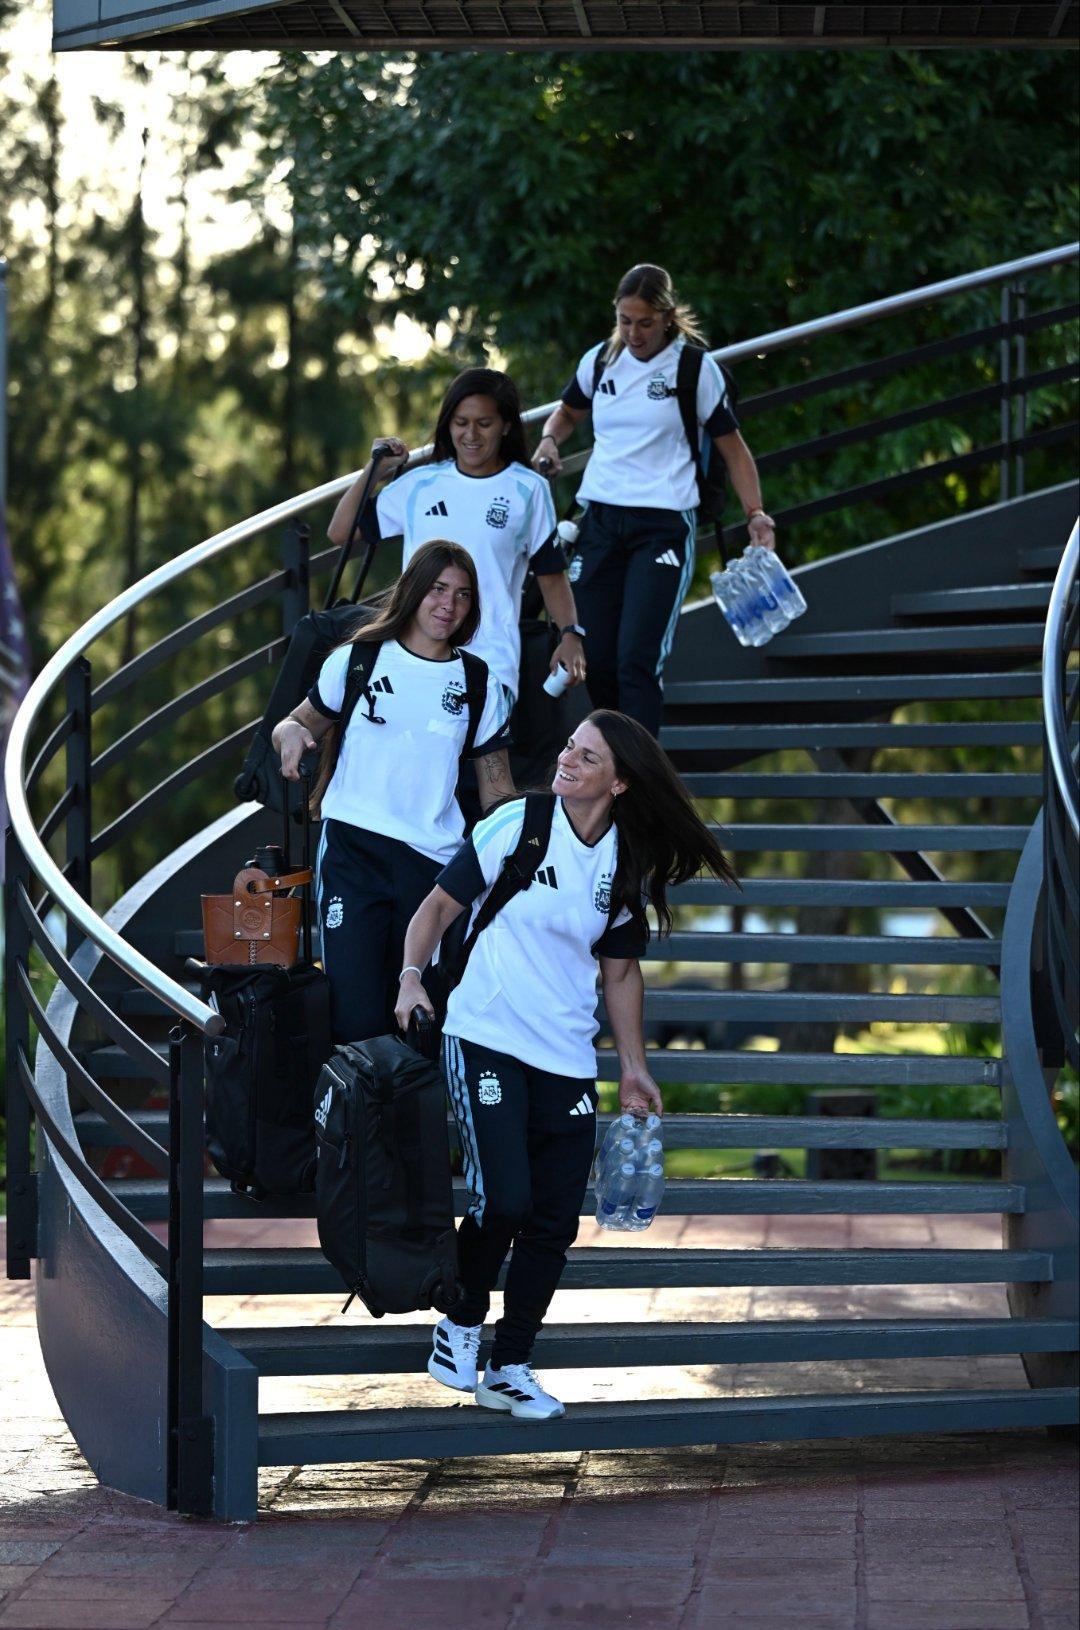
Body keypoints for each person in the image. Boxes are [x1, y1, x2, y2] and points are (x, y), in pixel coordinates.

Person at [393, 709, 737, 1421]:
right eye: (570, 748)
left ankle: (511, 1365)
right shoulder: (516, 825)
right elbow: (436, 907)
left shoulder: (622, 865)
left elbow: (620, 975)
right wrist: (409, 976)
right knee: (504, 1200)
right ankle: (459, 1321)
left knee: (553, 1221)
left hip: (566, 1058)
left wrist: (633, 1068)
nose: (568, 761)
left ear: (619, 783)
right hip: (485, 1032)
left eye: (587, 757)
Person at [272, 540, 514, 1044]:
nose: (449, 604)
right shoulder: (357, 659)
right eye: (438, 589)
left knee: (418, 1020)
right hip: (351, 852)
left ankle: (411, 1123)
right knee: (354, 1016)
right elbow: (296, 722)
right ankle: (353, 1122)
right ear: (413, 591)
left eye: (464, 595)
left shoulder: (476, 682)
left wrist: (525, 848)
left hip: (431, 866)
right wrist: (290, 734)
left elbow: (498, 795)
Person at [532, 264, 776, 737]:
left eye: (645, 322)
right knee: (593, 655)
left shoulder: (694, 370)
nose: (634, 332)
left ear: (667, 317)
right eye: (625, 320)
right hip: (599, 521)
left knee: (636, 661)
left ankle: (637, 779)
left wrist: (756, 514)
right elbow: (567, 413)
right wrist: (548, 441)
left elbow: (734, 449)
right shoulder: (600, 361)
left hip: (662, 526)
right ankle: (611, 757)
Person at [328, 367, 588, 710]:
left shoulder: (528, 489)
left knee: (469, 761)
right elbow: (340, 531)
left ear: (506, 425)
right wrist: (374, 471)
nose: (471, 434)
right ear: (448, 425)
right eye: (461, 422)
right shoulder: (421, 484)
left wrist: (571, 634)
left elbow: (551, 575)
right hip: (411, 655)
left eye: (484, 423)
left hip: (488, 664)